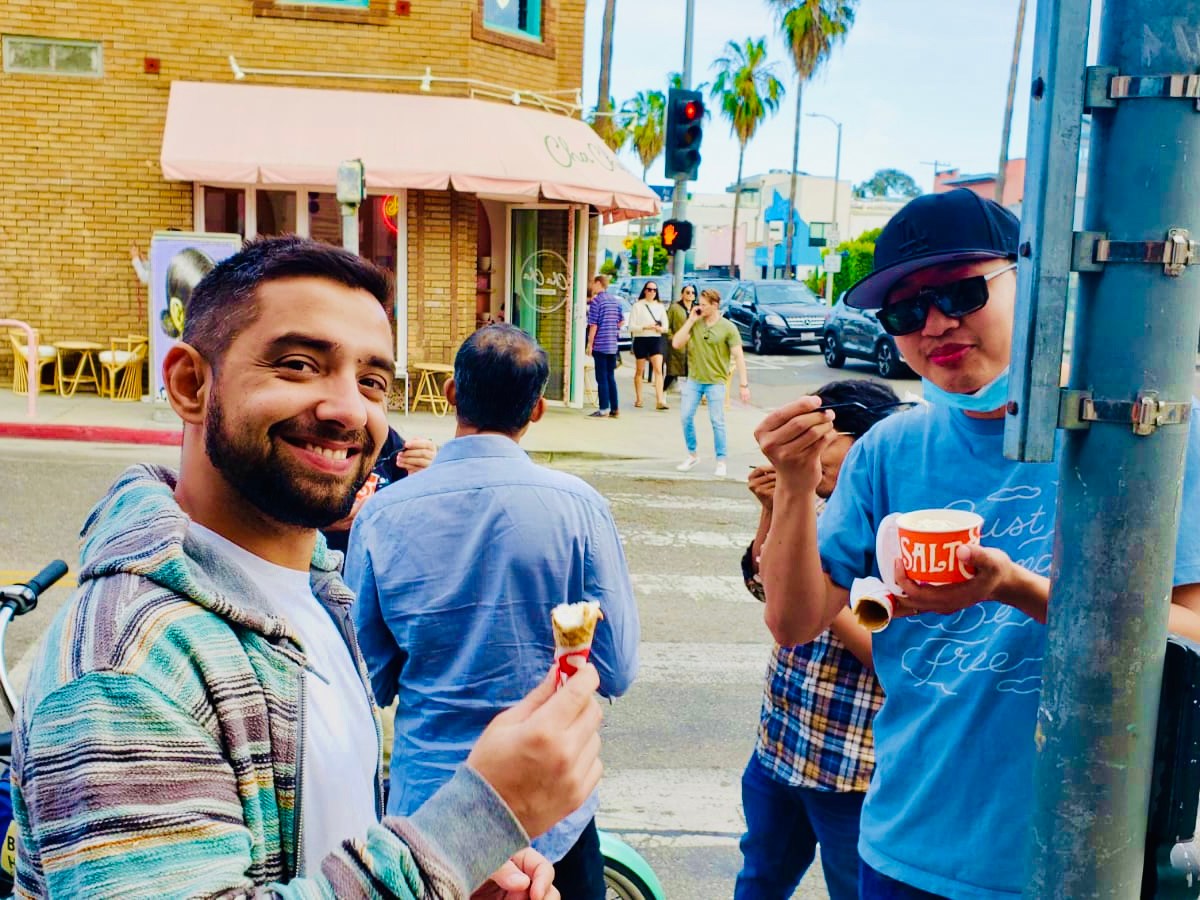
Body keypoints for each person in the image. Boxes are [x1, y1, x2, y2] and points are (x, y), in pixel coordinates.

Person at [12, 236, 602, 900]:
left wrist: (451, 877)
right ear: (189, 383)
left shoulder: (316, 588)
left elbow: (320, 844)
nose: (348, 408)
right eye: (298, 364)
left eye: (372, 381)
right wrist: (470, 823)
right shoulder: (126, 663)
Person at [753, 189, 1200, 899]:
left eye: (961, 292)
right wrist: (795, 483)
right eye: (902, 312)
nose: (934, 325)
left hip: (1074, 859)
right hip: (902, 845)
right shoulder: (889, 448)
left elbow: (1188, 633)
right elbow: (794, 619)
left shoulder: (1140, 438)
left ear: (1033, 277)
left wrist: (1015, 589)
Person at [346, 323, 640, 900]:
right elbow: (619, 668)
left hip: (429, 818)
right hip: (552, 812)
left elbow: (368, 679)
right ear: (539, 410)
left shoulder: (383, 515)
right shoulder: (580, 508)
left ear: (452, 393)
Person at [736, 379, 902, 900]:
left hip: (850, 770)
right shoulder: (817, 506)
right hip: (780, 747)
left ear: (866, 444)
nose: (811, 454)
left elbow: (888, 655)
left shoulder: (894, 530)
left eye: (824, 438)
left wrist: (815, 596)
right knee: (758, 881)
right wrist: (777, 509)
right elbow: (762, 586)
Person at [671, 287, 751, 478]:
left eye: (705, 305)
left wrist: (743, 385)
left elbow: (738, 356)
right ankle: (692, 454)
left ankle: (721, 460)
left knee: (717, 421)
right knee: (685, 416)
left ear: (715, 305)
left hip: (716, 381)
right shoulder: (696, 324)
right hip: (695, 380)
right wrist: (691, 320)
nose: (701, 308)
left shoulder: (727, 327)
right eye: (700, 304)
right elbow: (676, 343)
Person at [320, 426, 437, 556]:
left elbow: (412, 510)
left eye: (374, 403)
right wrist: (322, 522)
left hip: (378, 557)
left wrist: (424, 473)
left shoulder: (386, 438)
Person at [585, 274, 624, 419]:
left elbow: (593, 325)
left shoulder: (597, 302)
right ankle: (615, 409)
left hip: (600, 345)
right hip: (612, 345)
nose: (591, 286)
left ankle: (603, 409)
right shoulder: (615, 301)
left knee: (601, 378)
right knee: (610, 376)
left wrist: (590, 344)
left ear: (598, 283)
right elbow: (621, 322)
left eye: (593, 283)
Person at [628, 280, 669, 410]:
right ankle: (639, 399)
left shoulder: (660, 306)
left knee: (658, 369)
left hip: (656, 339)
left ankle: (660, 399)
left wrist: (659, 329)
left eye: (654, 290)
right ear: (645, 290)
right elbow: (631, 327)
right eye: (649, 289)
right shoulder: (638, 306)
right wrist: (645, 327)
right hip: (641, 339)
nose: (652, 292)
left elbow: (666, 327)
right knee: (640, 370)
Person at [664, 282, 696, 391]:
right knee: (672, 372)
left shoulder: (696, 309)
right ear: (682, 294)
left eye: (692, 293)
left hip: (692, 347)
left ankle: (691, 396)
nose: (690, 294)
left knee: (692, 373)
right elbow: (667, 325)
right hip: (677, 347)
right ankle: (662, 393)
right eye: (687, 292)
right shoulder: (675, 308)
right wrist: (671, 338)